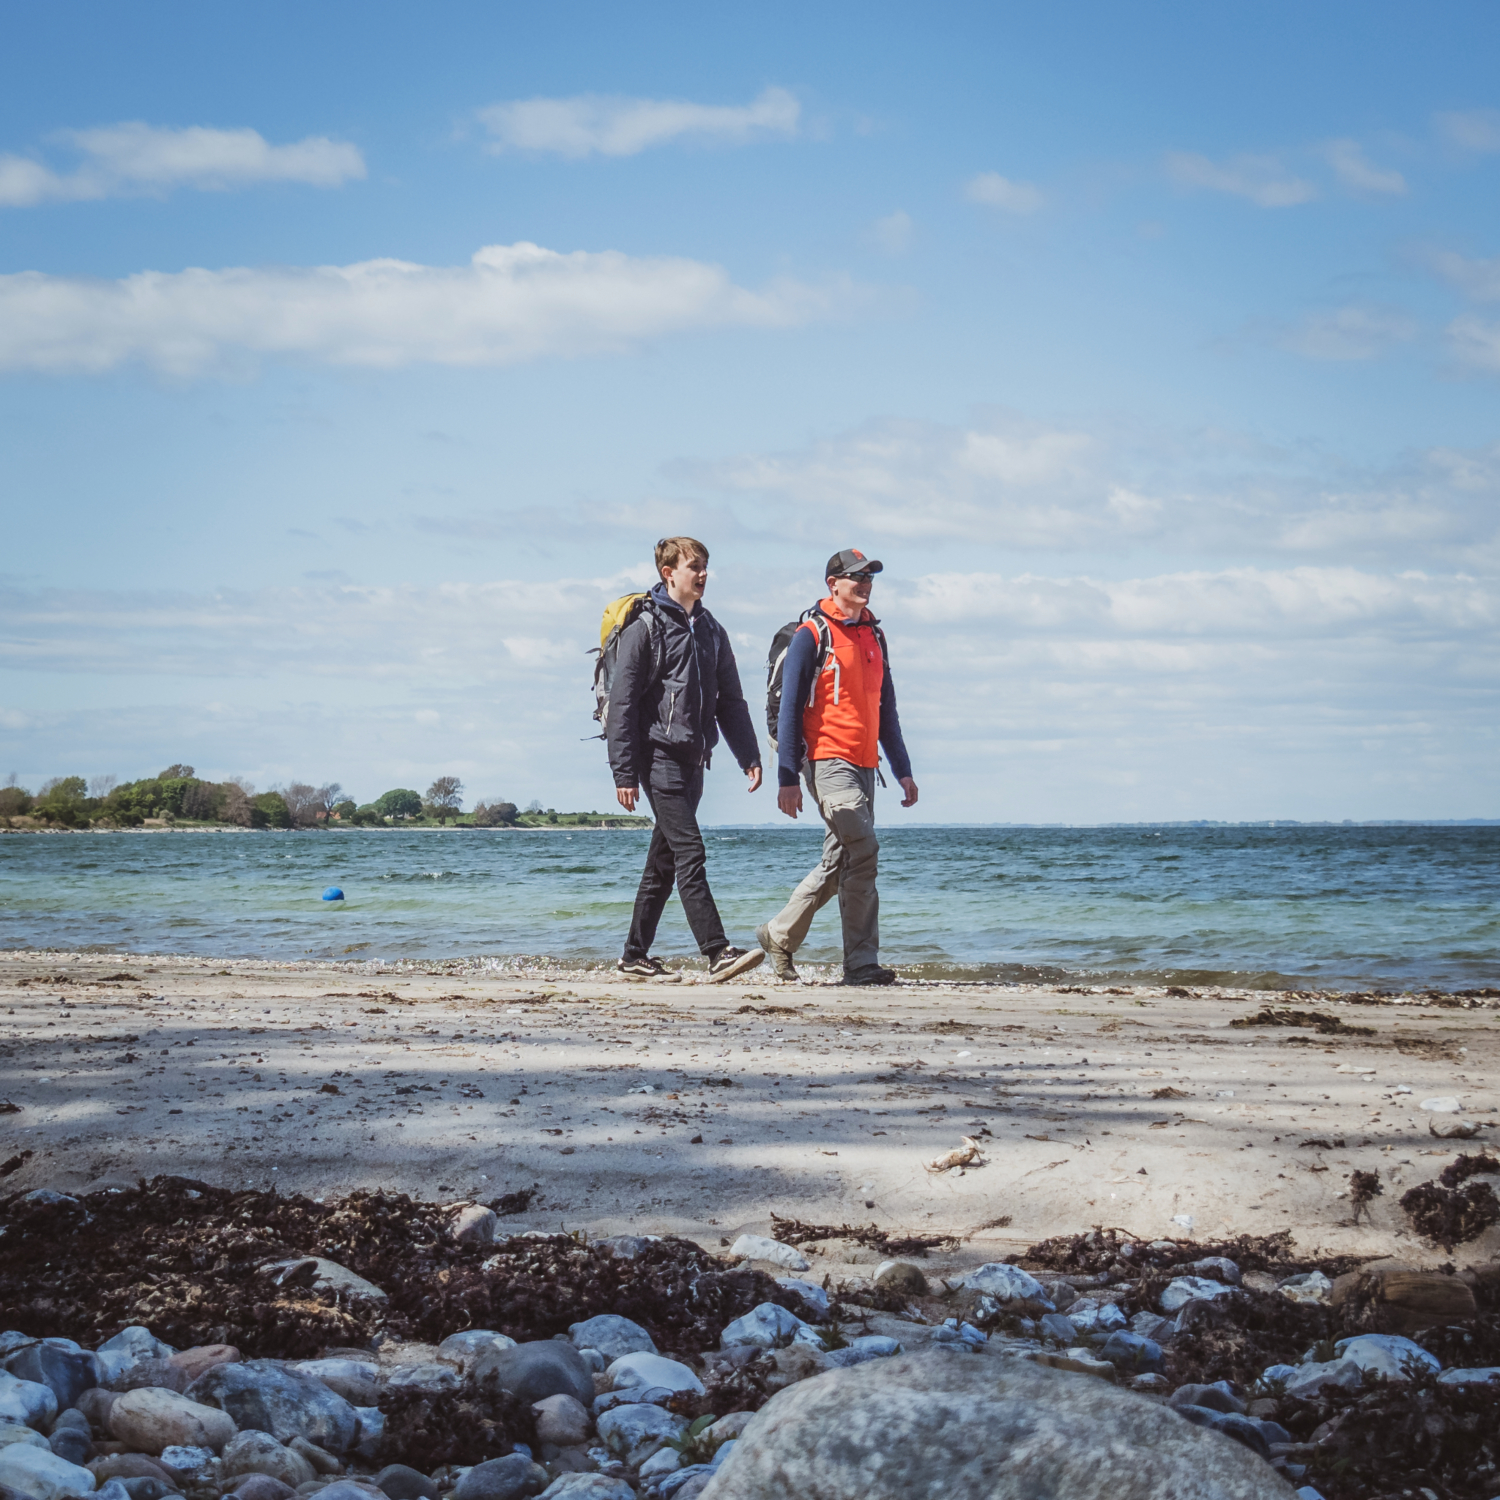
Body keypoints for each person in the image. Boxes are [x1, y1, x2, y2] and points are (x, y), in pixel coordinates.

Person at [608, 536, 766, 982]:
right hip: (657, 756)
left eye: (705, 567)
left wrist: (747, 754)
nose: (702, 574)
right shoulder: (646, 628)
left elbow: (730, 700)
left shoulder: (712, 630)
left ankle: (634, 955)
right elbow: (622, 704)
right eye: (694, 566)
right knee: (690, 851)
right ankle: (717, 951)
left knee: (664, 861)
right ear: (668, 573)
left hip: (696, 759)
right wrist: (624, 770)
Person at [757, 548, 918, 985]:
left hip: (867, 764)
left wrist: (902, 769)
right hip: (826, 760)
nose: (864, 583)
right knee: (864, 851)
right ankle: (862, 963)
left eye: (869, 577)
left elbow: (887, 710)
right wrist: (787, 776)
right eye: (855, 577)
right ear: (833, 584)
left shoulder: (874, 636)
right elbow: (790, 709)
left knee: (841, 859)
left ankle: (778, 934)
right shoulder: (813, 635)